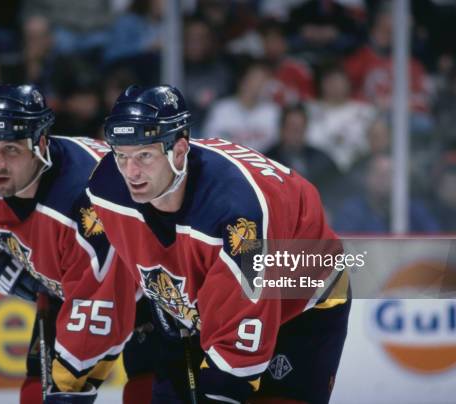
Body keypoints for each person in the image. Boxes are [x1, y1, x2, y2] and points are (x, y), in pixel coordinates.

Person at [87, 85, 350, 403]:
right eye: (122, 155)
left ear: (180, 151)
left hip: (302, 299)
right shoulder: (106, 187)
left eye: (144, 155)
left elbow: (238, 353)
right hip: (215, 296)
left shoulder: (238, 219)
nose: (131, 172)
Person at [0, 83, 141, 403]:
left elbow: (99, 313)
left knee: (149, 387)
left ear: (40, 142)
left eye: (11, 149)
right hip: (80, 278)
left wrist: (65, 390)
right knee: (37, 390)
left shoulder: (84, 204)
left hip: (148, 277)